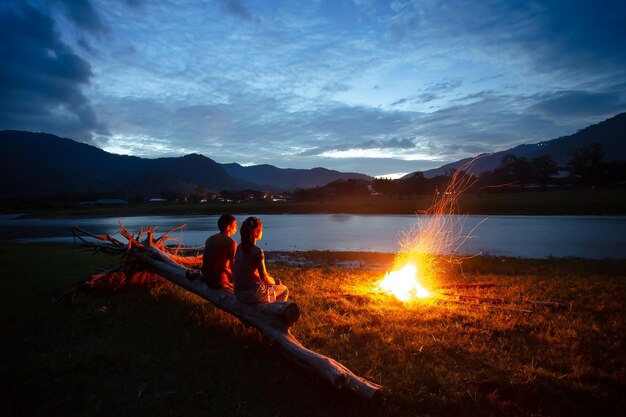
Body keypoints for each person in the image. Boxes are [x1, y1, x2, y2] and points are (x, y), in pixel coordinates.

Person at [233, 216, 288, 304]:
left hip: (238, 293)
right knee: (284, 289)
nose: (262, 231)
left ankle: (270, 307)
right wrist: (273, 282)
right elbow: (264, 277)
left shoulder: (239, 248)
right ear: (255, 232)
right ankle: (276, 312)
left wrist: (273, 281)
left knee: (275, 282)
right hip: (252, 294)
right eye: (261, 229)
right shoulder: (257, 251)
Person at [197, 214, 238, 290]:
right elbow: (233, 267)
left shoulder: (210, 239)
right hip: (218, 281)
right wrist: (236, 285)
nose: (237, 227)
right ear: (228, 227)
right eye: (235, 224)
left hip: (205, 278)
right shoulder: (231, 243)